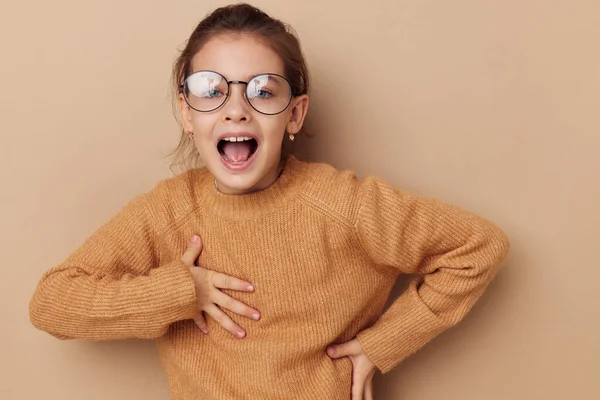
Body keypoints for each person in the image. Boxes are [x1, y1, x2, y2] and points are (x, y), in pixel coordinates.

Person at [29, 3, 510, 400]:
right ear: (187, 114)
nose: (236, 108)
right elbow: (51, 304)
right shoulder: (167, 212)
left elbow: (478, 248)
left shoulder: (342, 204)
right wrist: (179, 292)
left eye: (262, 91)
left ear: (295, 114)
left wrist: (382, 344)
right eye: (211, 91)